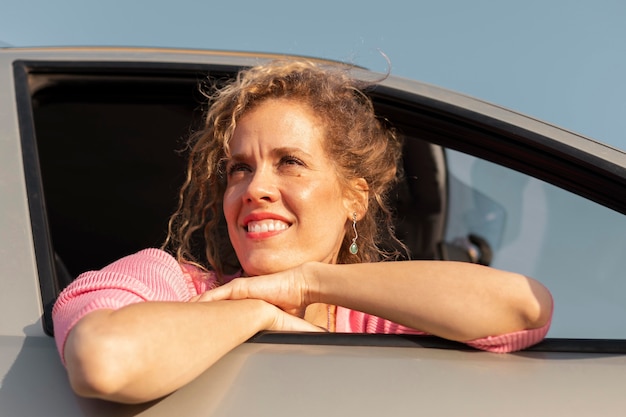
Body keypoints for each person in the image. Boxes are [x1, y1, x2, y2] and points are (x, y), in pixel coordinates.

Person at [52, 60, 553, 404]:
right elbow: (105, 358)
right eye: (239, 169)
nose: (255, 188)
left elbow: (523, 308)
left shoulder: (378, 321)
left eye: (289, 162)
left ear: (354, 197)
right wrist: (258, 312)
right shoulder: (167, 282)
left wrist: (306, 283)